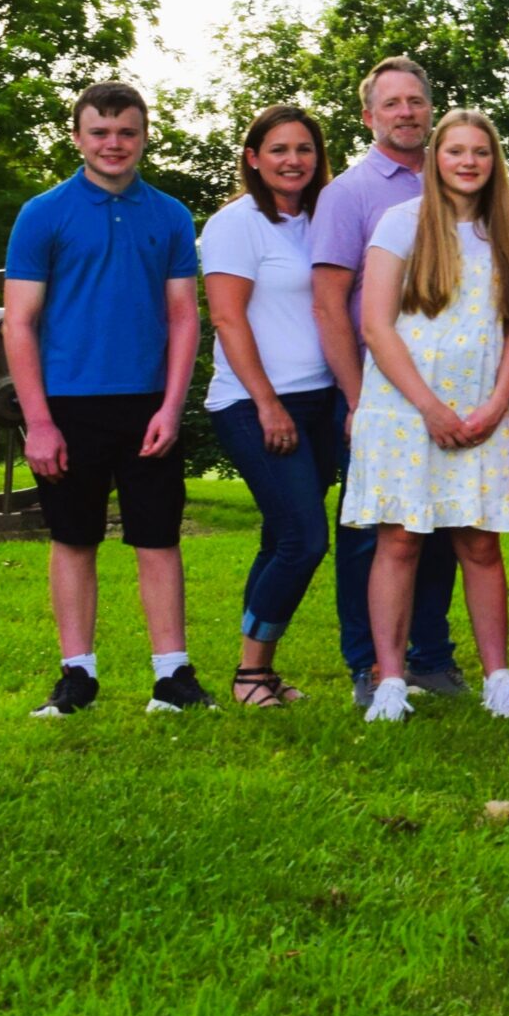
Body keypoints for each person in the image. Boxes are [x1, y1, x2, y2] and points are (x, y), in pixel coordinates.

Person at [8, 83, 207, 717]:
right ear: (77, 138)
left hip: (149, 403)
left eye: (126, 132)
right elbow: (19, 322)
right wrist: (39, 422)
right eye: (100, 132)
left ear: (144, 137)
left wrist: (171, 407)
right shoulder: (43, 213)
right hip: (67, 404)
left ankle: (172, 676)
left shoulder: (171, 216)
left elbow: (184, 317)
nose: (113, 144)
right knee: (74, 539)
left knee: (158, 538)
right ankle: (78, 676)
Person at [339, 109, 509, 724]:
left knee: (479, 542)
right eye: (455, 151)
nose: (468, 162)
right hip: (405, 410)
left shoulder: (508, 232)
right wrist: (429, 407)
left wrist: (498, 401)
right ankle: (391, 681)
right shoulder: (402, 223)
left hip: (480, 411)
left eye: (480, 152)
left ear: (493, 162)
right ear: (434, 159)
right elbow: (376, 326)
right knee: (399, 541)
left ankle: (499, 679)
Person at [312, 56, 465, 706]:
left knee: (441, 526)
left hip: (448, 392)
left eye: (416, 100)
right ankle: (369, 664)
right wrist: (355, 398)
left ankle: (431, 657)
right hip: (377, 395)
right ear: (368, 115)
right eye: (392, 103)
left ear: (431, 108)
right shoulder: (348, 194)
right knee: (371, 535)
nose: (406, 112)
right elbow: (329, 302)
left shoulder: (454, 179)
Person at [202, 103, 339, 708]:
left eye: (304, 149)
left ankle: (261, 669)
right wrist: (267, 403)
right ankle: (249, 673)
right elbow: (227, 318)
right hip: (253, 402)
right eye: (279, 149)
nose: (293, 160)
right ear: (253, 159)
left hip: (320, 399)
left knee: (281, 536)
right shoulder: (236, 224)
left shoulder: (321, 219)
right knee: (304, 540)